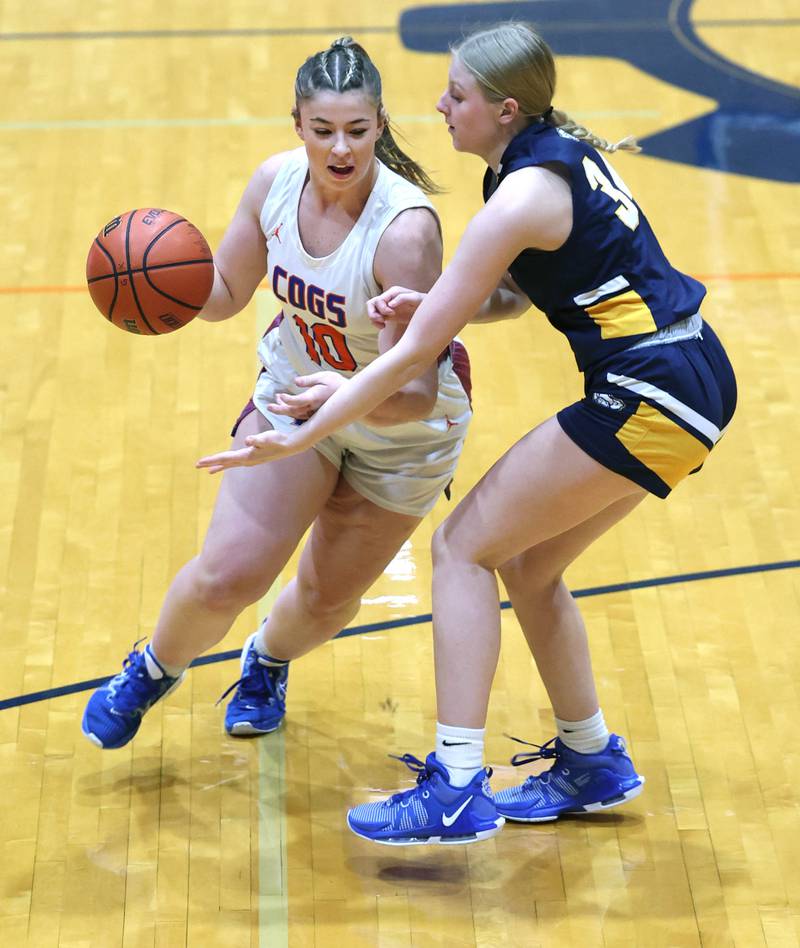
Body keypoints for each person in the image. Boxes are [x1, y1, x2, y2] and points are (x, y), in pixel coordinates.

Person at [196, 21, 737, 846]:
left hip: (650, 389)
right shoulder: (545, 157)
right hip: (685, 378)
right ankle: (592, 759)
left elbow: (414, 357)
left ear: (504, 108)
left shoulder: (518, 194)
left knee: (461, 550)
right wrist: (436, 301)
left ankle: (453, 784)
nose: (440, 107)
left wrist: (307, 428)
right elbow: (504, 298)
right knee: (527, 563)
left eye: (457, 95)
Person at [81, 37, 473, 750]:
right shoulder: (274, 183)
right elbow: (228, 292)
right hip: (296, 397)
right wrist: (162, 285)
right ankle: (153, 666)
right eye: (323, 130)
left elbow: (414, 392)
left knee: (327, 600)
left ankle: (267, 660)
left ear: (381, 124)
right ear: (297, 124)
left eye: (357, 130)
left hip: (403, 433)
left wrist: (347, 394)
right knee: (231, 573)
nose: (341, 147)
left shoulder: (405, 231)